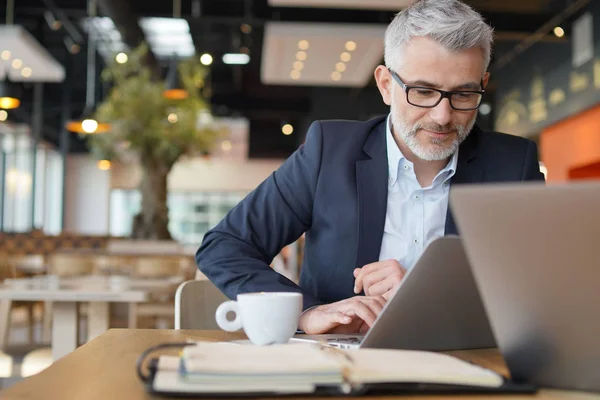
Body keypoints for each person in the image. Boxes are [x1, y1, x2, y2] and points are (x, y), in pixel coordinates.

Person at [197, 0, 545, 335]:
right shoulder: (328, 152)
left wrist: (425, 291)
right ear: (385, 85)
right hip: (341, 364)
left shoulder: (514, 165)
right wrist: (305, 312)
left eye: (464, 94)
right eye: (423, 91)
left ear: (482, 85)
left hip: (465, 363)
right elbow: (225, 246)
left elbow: (539, 288)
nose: (443, 116)